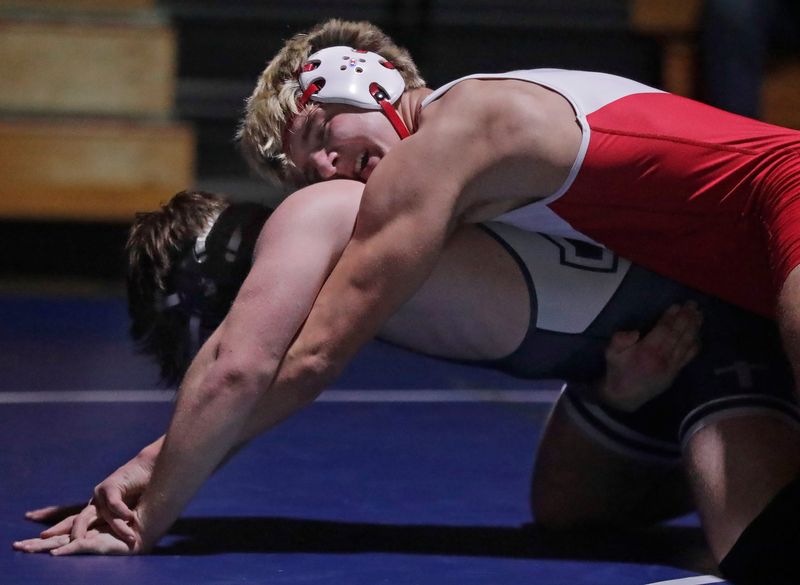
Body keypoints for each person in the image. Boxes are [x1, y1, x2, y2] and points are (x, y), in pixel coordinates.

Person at [233, 19, 800, 581]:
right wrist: (614, 396)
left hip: (784, 198)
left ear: (364, 80)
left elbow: (316, 354)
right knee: (572, 508)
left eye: (319, 140)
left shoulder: (461, 124)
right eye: (312, 176)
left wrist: (163, 468)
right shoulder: (454, 200)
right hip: (713, 312)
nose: (327, 172)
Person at [14, 181, 800, 583]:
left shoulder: (317, 215)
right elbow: (253, 387)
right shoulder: (371, 248)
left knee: (757, 554)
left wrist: (146, 512)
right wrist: (149, 473)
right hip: (628, 363)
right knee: (565, 511)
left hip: (716, 328)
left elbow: (244, 371)